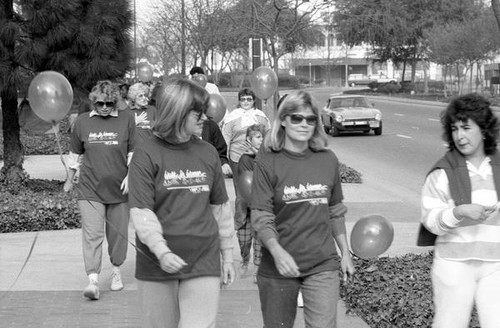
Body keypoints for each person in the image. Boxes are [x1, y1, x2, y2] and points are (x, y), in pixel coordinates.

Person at [128, 78, 235, 328]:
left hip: (203, 260)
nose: (205, 119)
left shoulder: (208, 152)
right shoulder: (146, 154)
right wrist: (161, 250)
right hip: (156, 263)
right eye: (198, 113)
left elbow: (220, 208)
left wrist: (227, 256)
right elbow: (142, 212)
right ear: (177, 113)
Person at [250, 90, 355, 327]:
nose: (304, 124)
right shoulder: (268, 161)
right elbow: (261, 216)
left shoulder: (327, 159)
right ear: (284, 120)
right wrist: (278, 252)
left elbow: (335, 211)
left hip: (322, 264)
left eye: (310, 119)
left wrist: (345, 254)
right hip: (278, 266)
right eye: (296, 118)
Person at [420, 93, 500, 328]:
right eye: (455, 129)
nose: (460, 136)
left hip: (496, 265)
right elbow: (431, 220)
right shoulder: (443, 172)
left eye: (466, 128)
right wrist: (459, 212)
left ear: (484, 129)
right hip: (453, 265)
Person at [63, 80, 136, 300]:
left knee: (118, 237)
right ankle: (93, 280)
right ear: (94, 101)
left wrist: (131, 176)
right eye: (101, 103)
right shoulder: (83, 122)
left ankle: (115, 271)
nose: (105, 107)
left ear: (116, 102)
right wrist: (69, 179)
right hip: (90, 189)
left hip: (119, 191)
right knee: (92, 235)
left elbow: (134, 152)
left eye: (110, 103)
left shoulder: (127, 119)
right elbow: (75, 155)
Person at [221, 88, 270, 273]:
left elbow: (270, 136)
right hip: (238, 159)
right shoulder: (232, 117)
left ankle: (257, 255)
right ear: (239, 100)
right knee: (242, 195)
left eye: (250, 99)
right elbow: (225, 138)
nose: (247, 101)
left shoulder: (261, 117)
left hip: (261, 159)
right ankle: (243, 222)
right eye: (244, 99)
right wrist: (223, 159)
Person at [237, 124, 264, 280]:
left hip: (260, 206)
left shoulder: (266, 157)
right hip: (245, 207)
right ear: (249, 139)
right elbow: (249, 180)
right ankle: (245, 258)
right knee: (244, 240)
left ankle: (258, 268)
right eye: (258, 137)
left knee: (260, 239)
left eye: (262, 137)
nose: (261, 140)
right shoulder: (245, 159)